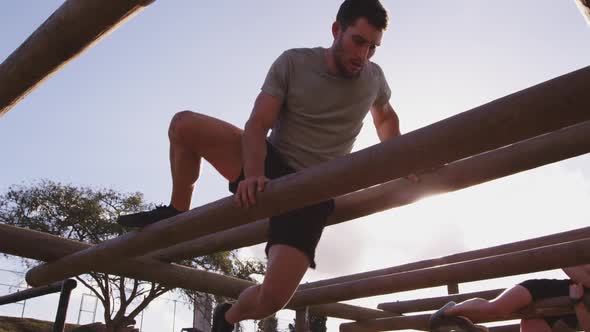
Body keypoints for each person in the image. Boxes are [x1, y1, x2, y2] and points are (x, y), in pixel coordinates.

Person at [117, 0, 410, 331]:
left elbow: (385, 118)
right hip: (271, 163)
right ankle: (177, 211)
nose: (364, 55)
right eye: (358, 41)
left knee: (272, 300)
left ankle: (226, 316)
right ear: (336, 30)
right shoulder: (294, 62)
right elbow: (257, 124)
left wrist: (404, 159)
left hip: (315, 189)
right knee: (183, 125)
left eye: (373, 47)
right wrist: (254, 175)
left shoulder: (373, 79)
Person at [429, 264, 590, 332]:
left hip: (547, 317)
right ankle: (450, 310)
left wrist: (577, 302)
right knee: (496, 308)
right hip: (539, 291)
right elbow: (565, 261)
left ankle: (469, 325)